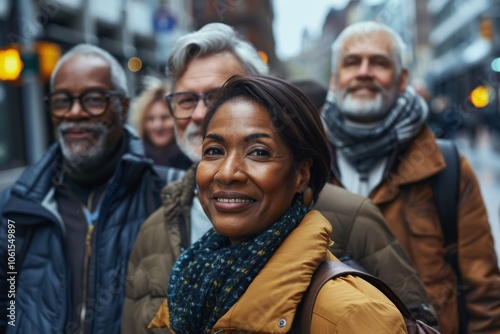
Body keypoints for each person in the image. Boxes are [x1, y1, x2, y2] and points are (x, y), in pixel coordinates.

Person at [122, 22, 433, 333]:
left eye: (217, 96)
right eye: (187, 100)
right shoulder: (158, 233)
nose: (201, 114)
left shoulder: (351, 218)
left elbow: (410, 316)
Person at [148, 74, 407, 333]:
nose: (226, 173)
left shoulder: (352, 315)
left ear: (301, 175)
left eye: (259, 152)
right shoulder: (191, 279)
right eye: (214, 150)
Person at [323, 21, 500, 334]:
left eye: (379, 62)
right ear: (335, 80)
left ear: (402, 79)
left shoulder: (446, 166)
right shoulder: (306, 167)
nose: (364, 71)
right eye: (352, 62)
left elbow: (483, 292)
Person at [0, 44, 164, 334]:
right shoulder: (13, 207)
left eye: (92, 99)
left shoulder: (165, 197)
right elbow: (7, 306)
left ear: (122, 107)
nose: (74, 113)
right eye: (62, 101)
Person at [130, 76, 191, 169]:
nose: (158, 125)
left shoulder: (194, 159)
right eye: (150, 119)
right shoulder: (132, 162)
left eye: (165, 117)